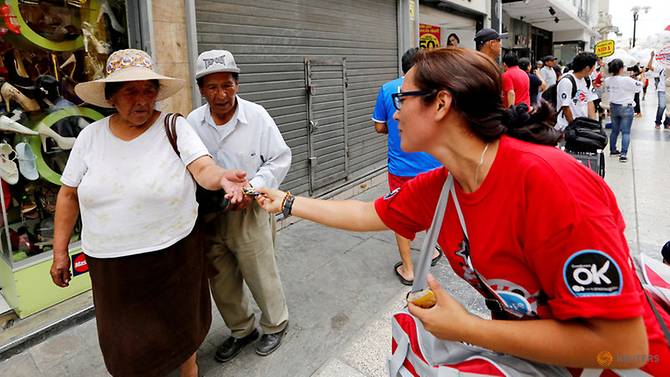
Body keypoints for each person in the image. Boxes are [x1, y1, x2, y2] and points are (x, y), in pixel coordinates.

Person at [254, 48, 669, 375]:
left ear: (440, 104)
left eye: (403, 98)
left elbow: (627, 346)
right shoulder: (444, 184)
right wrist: (288, 201)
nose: (394, 112)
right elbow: (368, 214)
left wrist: (467, 329)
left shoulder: (550, 184)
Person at [49, 49, 247, 377]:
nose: (142, 100)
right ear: (111, 97)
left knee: (181, 331)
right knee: (125, 345)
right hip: (112, 267)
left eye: (148, 90)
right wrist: (59, 252)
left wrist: (222, 177)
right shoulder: (89, 138)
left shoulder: (174, 127)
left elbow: (202, 167)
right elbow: (68, 194)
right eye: (130, 91)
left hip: (174, 256)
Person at [186, 50, 291, 363]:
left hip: (249, 209)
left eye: (228, 85)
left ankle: (275, 323)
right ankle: (242, 329)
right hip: (209, 213)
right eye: (213, 87)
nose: (221, 94)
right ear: (201, 89)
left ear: (237, 84)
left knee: (260, 270)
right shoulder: (193, 122)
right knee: (220, 277)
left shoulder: (256, 116)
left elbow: (280, 157)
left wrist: (250, 189)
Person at [371, 48, 442, 285]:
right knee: (432, 208)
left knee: (400, 214)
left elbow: (380, 126)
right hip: (433, 163)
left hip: (401, 166)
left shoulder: (388, 89)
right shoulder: (436, 90)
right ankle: (431, 251)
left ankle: (409, 269)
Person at [605, 59, 642, 163]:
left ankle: (613, 150)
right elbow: (639, 86)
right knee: (626, 132)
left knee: (615, 131)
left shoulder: (608, 80)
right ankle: (623, 154)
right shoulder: (627, 79)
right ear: (621, 68)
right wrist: (639, 79)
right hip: (626, 108)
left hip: (613, 107)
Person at [555, 52, 598, 132]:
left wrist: (593, 124)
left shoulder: (587, 80)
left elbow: (589, 101)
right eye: (593, 67)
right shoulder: (567, 81)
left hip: (582, 126)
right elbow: (566, 107)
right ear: (587, 68)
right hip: (566, 127)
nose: (593, 70)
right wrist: (573, 127)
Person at [646, 51, 669, 129]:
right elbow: (649, 67)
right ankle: (658, 122)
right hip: (662, 89)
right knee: (662, 106)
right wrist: (652, 57)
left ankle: (667, 123)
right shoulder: (662, 67)